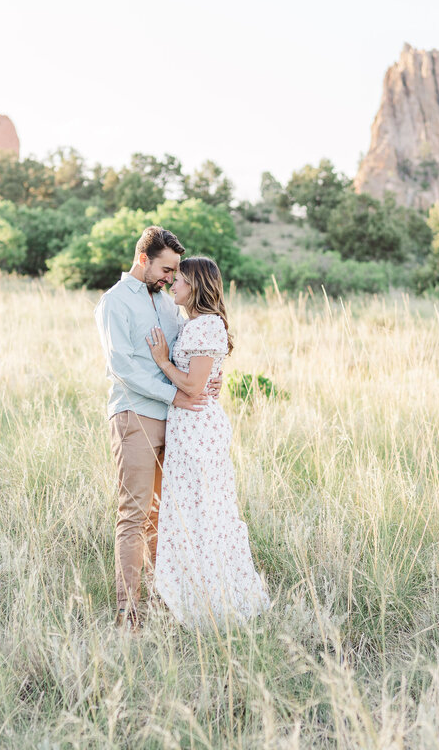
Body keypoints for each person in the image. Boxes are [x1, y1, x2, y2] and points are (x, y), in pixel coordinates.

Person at [94, 226, 221, 631]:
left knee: (163, 517)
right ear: (144, 259)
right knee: (133, 515)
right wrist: (175, 396)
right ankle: (129, 616)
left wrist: (208, 380)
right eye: (166, 268)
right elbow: (123, 367)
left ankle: (163, 601)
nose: (171, 277)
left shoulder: (166, 303)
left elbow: (189, 353)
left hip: (177, 422)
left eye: (175, 272)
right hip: (136, 414)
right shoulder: (113, 303)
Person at [146, 256, 271, 628]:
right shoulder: (197, 325)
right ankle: (192, 590)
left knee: (204, 511)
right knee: (193, 510)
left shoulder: (207, 326)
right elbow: (207, 377)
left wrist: (163, 361)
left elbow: (194, 386)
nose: (173, 285)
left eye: (180, 280)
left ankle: (212, 599)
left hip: (198, 428)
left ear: (196, 286)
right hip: (189, 425)